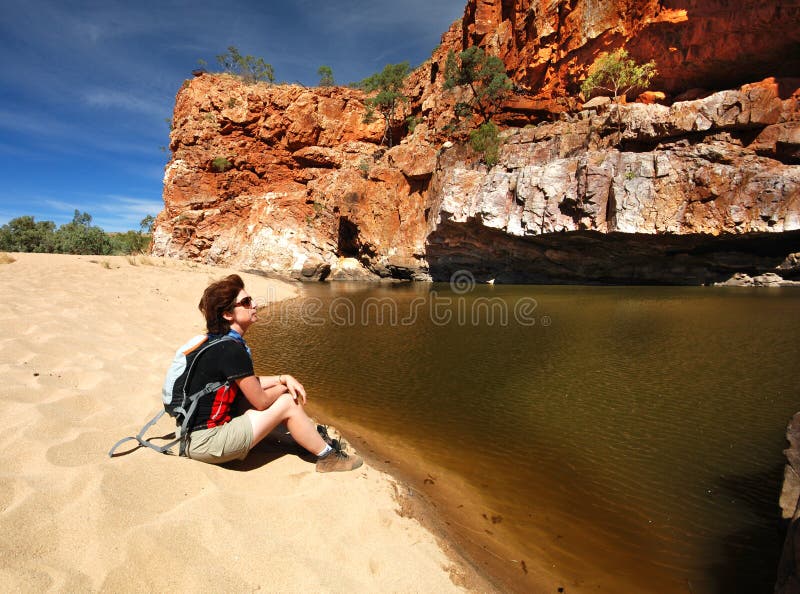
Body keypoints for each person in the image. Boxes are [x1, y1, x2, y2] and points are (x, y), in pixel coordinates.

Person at [183, 273, 362, 472]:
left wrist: (282, 378)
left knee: (251, 399)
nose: (255, 305)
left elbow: (248, 384)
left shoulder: (217, 342)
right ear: (227, 314)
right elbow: (261, 401)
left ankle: (304, 439)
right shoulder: (232, 350)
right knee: (286, 401)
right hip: (208, 443)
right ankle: (328, 457)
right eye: (246, 302)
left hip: (191, 437)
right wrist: (284, 387)